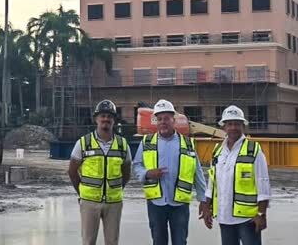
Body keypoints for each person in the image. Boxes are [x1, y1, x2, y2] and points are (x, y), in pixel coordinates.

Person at [133, 99, 208, 245]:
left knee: (180, 242)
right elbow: (137, 165)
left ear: (173, 120)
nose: (163, 122)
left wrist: (203, 200)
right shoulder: (147, 142)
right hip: (156, 203)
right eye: (159, 119)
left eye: (166, 118)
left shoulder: (187, 144)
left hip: (179, 204)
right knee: (158, 241)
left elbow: (197, 173)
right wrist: (147, 173)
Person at [202, 105, 271, 245]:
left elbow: (263, 183)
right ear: (224, 127)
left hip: (248, 219)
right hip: (224, 217)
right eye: (229, 124)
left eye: (237, 124)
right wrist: (206, 206)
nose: (233, 127)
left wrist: (261, 214)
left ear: (243, 126)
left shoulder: (253, 150)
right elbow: (212, 182)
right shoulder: (217, 151)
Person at [69, 99, 132, 245]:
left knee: (112, 241)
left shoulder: (122, 145)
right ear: (96, 119)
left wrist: (114, 190)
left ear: (114, 120)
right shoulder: (83, 143)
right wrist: (83, 193)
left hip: (114, 203)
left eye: (110, 116)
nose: (106, 119)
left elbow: (126, 174)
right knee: (88, 241)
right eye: (102, 115)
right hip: (89, 202)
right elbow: (72, 172)